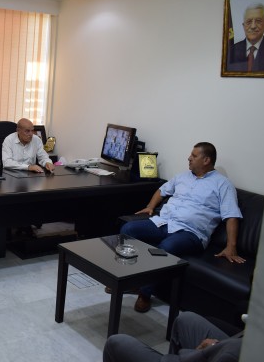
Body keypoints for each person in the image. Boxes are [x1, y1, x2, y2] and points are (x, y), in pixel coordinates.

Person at [120, 142, 243, 313]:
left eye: (194, 156)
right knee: (128, 229)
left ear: (206, 160)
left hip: (191, 233)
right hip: (164, 223)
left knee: (166, 247)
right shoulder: (182, 177)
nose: (189, 158)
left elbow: (231, 215)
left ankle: (144, 293)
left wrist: (231, 246)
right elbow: (162, 191)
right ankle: (125, 280)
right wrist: (150, 206)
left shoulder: (223, 184)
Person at [103, 311, 242, 362]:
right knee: (185, 319)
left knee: (116, 343)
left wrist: (211, 348)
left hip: (232, 354)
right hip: (238, 342)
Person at [227, 3, 264, 72]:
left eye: (258, 21)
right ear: (243, 25)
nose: (253, 26)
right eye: (249, 21)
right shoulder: (230, 51)